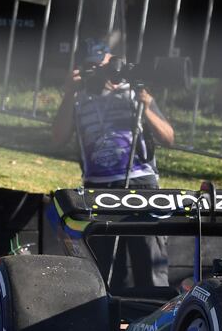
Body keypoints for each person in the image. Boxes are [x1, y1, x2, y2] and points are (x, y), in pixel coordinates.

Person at [52, 40, 173, 290]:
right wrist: (68, 93)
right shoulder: (77, 98)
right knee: (101, 272)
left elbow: (168, 137)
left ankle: (154, 321)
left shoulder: (133, 92)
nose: (97, 73)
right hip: (98, 188)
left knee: (150, 265)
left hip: (141, 184)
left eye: (102, 66)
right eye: (90, 67)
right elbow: (58, 138)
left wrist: (147, 107)